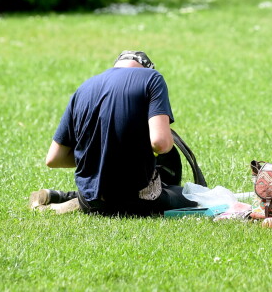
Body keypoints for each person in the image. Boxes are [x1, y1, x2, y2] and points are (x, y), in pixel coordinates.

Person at [30, 50, 197, 216]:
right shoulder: (151, 78)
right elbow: (160, 143)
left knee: (103, 193)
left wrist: (100, 155)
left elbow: (53, 158)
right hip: (137, 199)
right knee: (196, 197)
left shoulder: (84, 88)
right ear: (148, 68)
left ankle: (59, 199)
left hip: (90, 201)